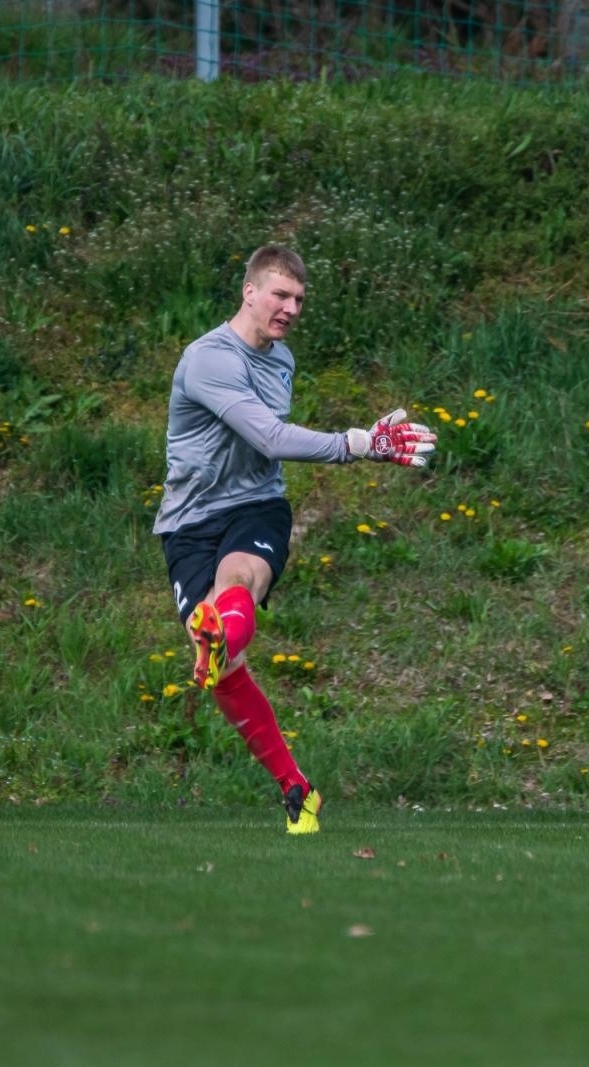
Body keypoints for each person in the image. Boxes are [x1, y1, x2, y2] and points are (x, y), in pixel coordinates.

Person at [154, 245, 436, 834]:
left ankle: (219, 629)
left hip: (257, 507)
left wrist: (356, 445)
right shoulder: (208, 359)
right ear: (249, 292)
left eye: (299, 299)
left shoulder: (281, 359)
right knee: (225, 669)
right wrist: (360, 444)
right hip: (188, 522)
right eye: (280, 295)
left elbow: (267, 453)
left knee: (240, 581)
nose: (290, 309)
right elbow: (272, 436)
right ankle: (297, 789)